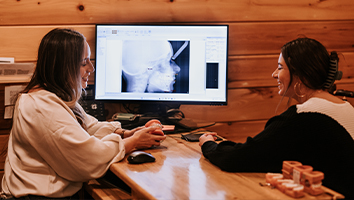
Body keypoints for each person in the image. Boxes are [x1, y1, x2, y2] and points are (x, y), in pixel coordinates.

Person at [0, 28, 166, 199]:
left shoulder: (54, 96)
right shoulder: (40, 106)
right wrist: (133, 142)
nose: (91, 68)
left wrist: (125, 133)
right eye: (83, 62)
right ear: (62, 66)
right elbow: (89, 159)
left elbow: (88, 126)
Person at [199, 38, 354, 199]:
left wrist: (209, 145)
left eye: (280, 68)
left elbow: (237, 158)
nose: (274, 74)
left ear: (300, 74)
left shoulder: (304, 117)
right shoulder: (346, 107)